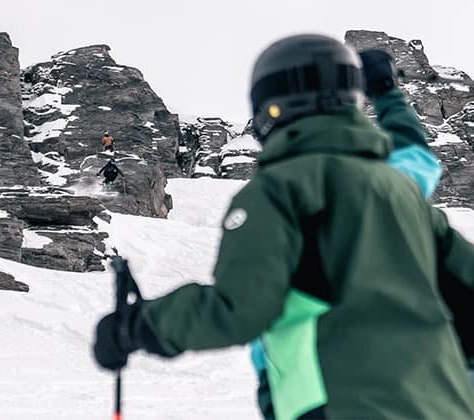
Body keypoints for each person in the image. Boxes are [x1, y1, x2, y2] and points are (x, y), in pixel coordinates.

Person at [92, 34, 474, 419]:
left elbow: (240, 307)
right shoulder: (402, 191)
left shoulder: (281, 189)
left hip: (336, 403)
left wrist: (136, 326)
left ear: (269, 107)